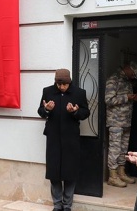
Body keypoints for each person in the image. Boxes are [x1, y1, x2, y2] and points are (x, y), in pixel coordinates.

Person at [38, 69, 90, 211]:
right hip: (53, 137)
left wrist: (75, 111)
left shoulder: (79, 93)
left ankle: (67, 205)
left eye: (64, 85)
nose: (61, 87)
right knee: (54, 172)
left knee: (69, 171)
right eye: (58, 84)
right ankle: (57, 204)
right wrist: (47, 109)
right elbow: (40, 111)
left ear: (69, 82)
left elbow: (86, 112)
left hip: (71, 138)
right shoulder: (47, 91)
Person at [105, 60, 137, 187]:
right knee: (115, 148)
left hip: (126, 121)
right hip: (115, 121)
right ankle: (112, 176)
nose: (133, 76)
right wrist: (128, 97)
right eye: (133, 73)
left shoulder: (127, 80)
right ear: (128, 68)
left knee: (123, 149)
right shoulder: (113, 79)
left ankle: (121, 172)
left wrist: (133, 98)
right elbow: (108, 100)